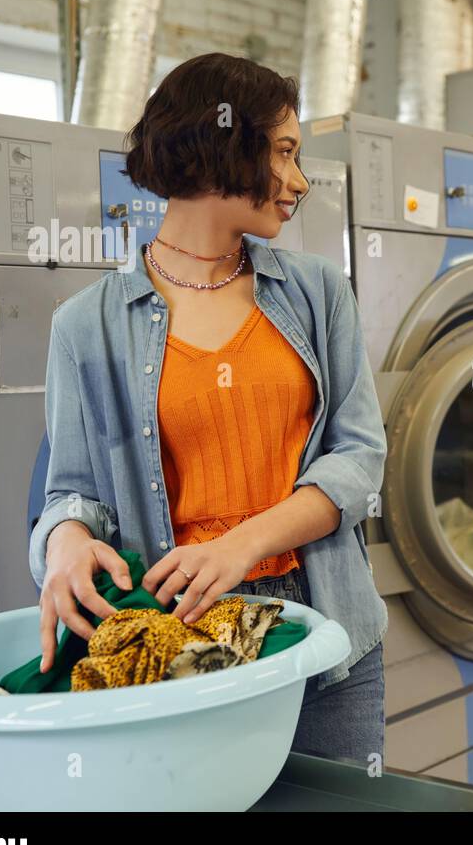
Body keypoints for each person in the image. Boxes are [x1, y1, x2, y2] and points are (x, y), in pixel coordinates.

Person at [27, 53, 388, 760]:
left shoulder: (316, 292)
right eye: (283, 153)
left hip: (328, 625)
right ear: (219, 144)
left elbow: (360, 457)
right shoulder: (86, 324)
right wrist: (64, 541)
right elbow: (70, 492)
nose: (299, 182)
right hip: (183, 638)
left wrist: (242, 543)